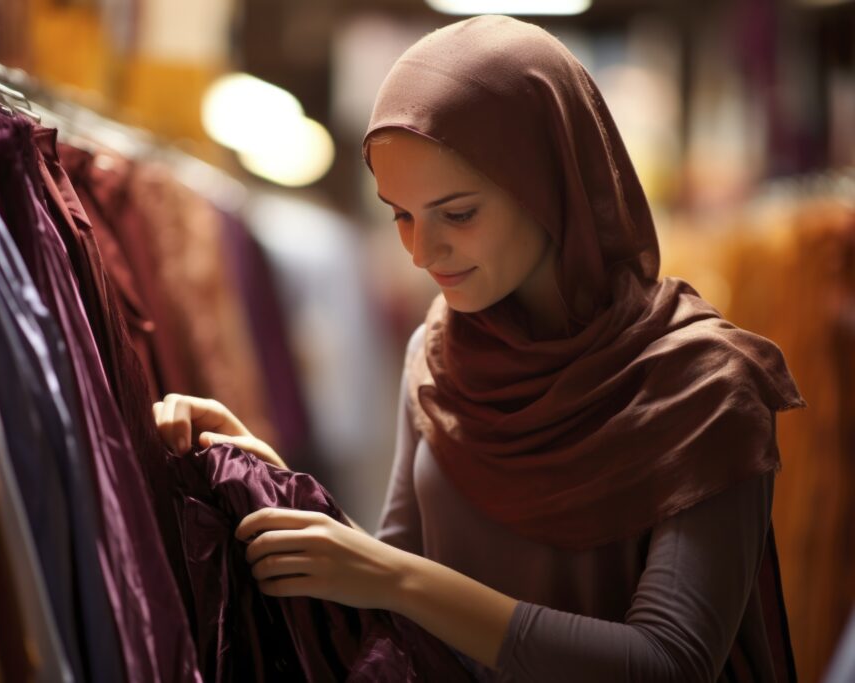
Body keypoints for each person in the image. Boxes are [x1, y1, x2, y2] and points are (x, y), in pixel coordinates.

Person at [154, 14, 804, 682]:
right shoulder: (438, 355)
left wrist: (393, 577)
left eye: (457, 214)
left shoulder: (707, 386)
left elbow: (669, 661)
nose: (420, 252)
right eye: (400, 214)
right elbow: (397, 602)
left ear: (549, 184)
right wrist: (270, 482)